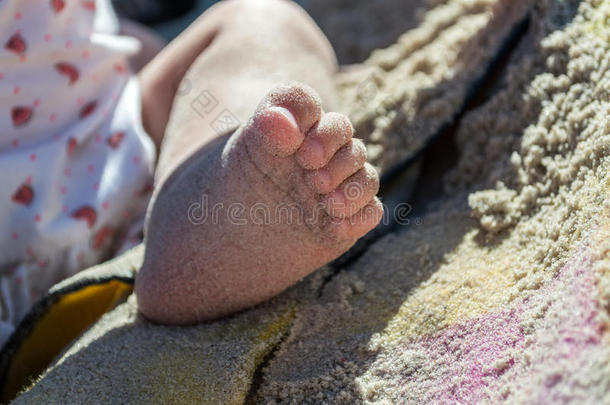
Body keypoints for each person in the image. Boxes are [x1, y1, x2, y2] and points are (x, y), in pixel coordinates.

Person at [0, 0, 382, 343]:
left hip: (121, 134)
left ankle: (218, 208)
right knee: (263, 25)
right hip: (112, 158)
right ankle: (213, 219)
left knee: (258, 19)